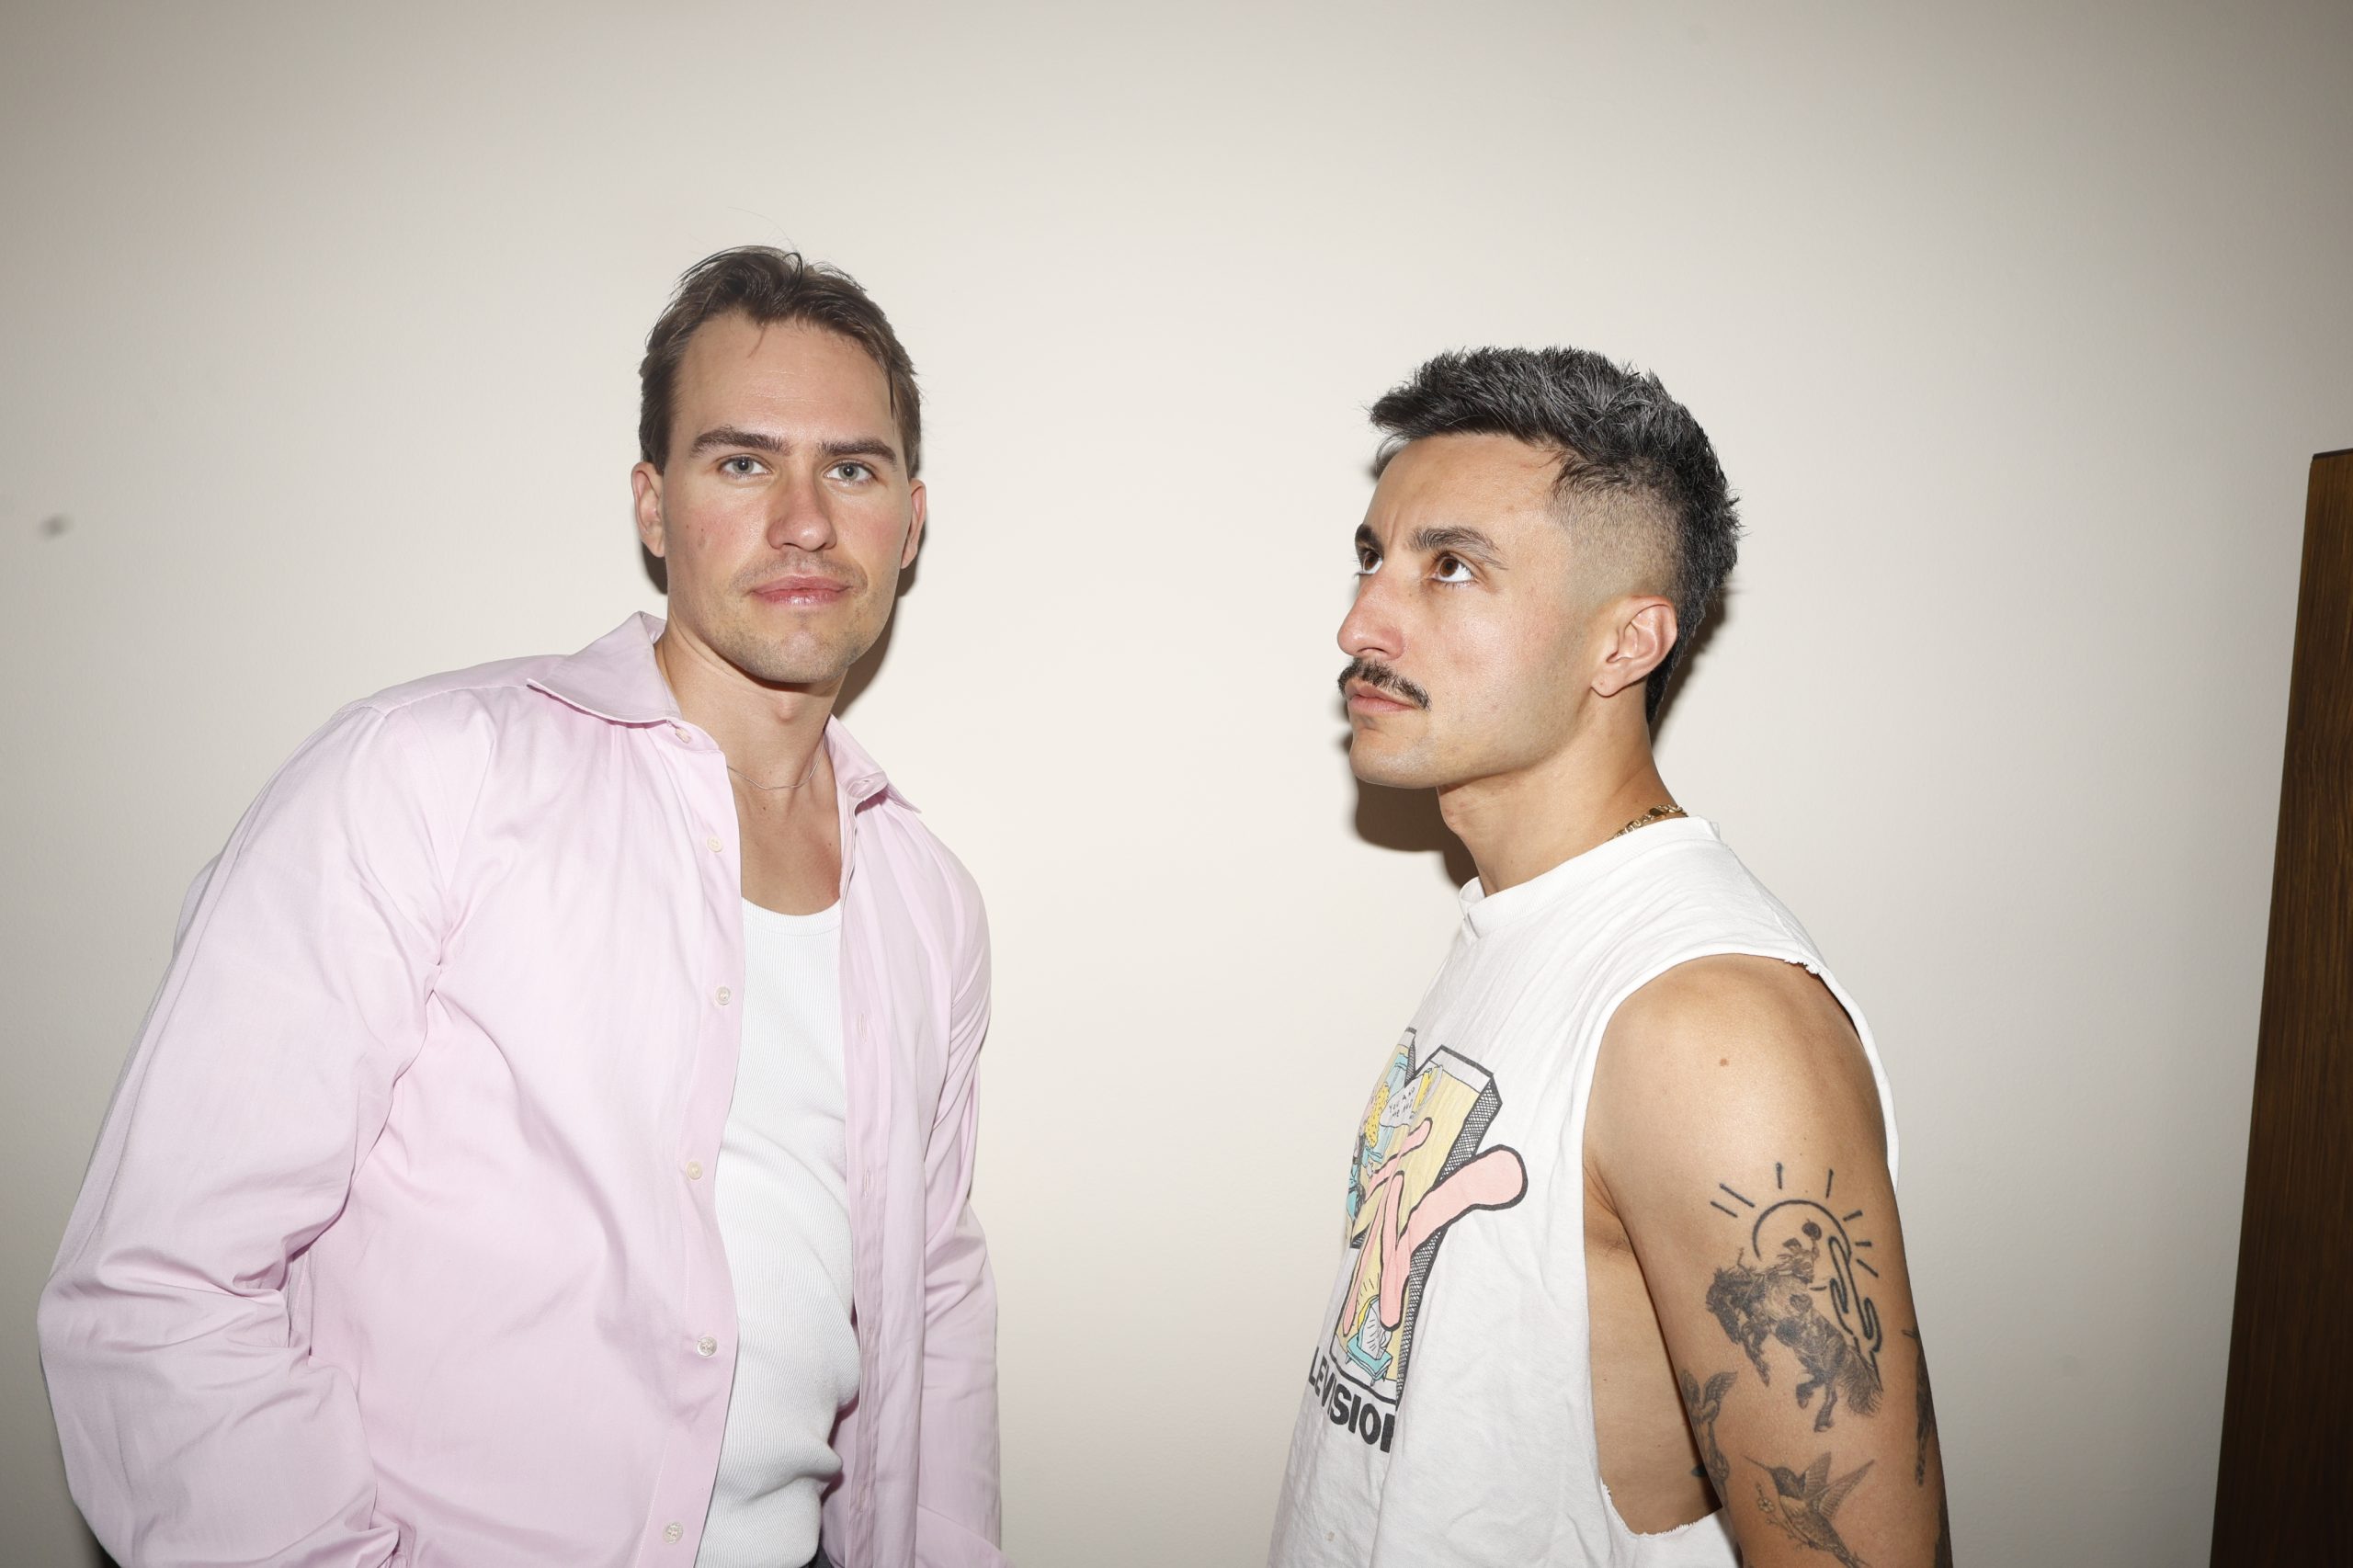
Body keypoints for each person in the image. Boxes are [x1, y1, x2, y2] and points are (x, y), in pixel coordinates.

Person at [40, 248, 1003, 1568]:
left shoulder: (927, 905)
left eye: (852, 468)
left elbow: (931, 1319)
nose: (803, 521)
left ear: (911, 517)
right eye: (741, 462)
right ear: (653, 507)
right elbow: (160, 1291)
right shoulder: (425, 777)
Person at [1269, 348, 1950, 1566]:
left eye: (1451, 566)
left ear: (1626, 642)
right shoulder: (1527, 926)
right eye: (1373, 556)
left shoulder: (1711, 1028)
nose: (1359, 621)